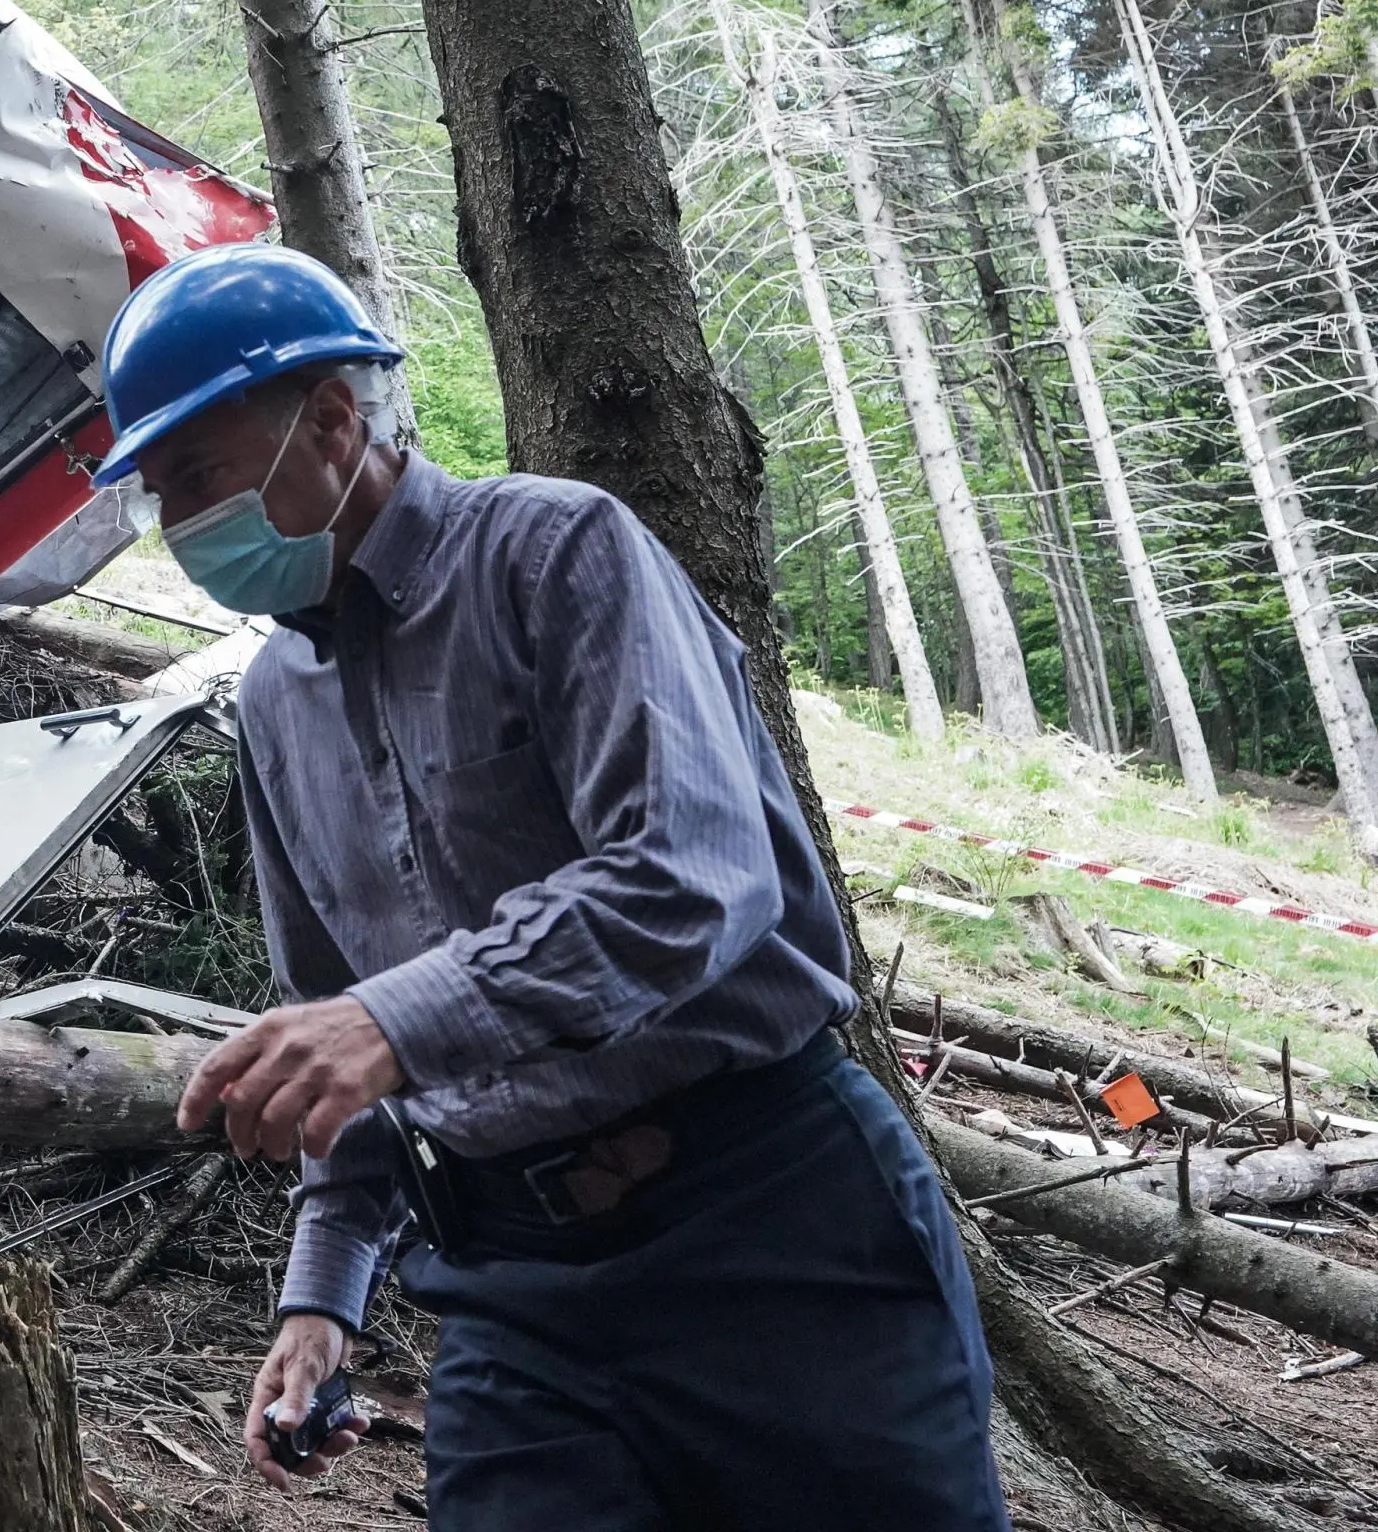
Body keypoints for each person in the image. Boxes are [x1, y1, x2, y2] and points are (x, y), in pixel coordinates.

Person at [101, 244, 1008, 1530]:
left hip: (773, 1228)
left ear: (334, 421)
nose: (183, 525)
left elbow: (691, 873)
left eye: (197, 474)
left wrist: (396, 1021)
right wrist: (323, 1288)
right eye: (157, 492)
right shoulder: (271, 703)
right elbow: (333, 1030)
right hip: (513, 1283)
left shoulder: (556, 553)